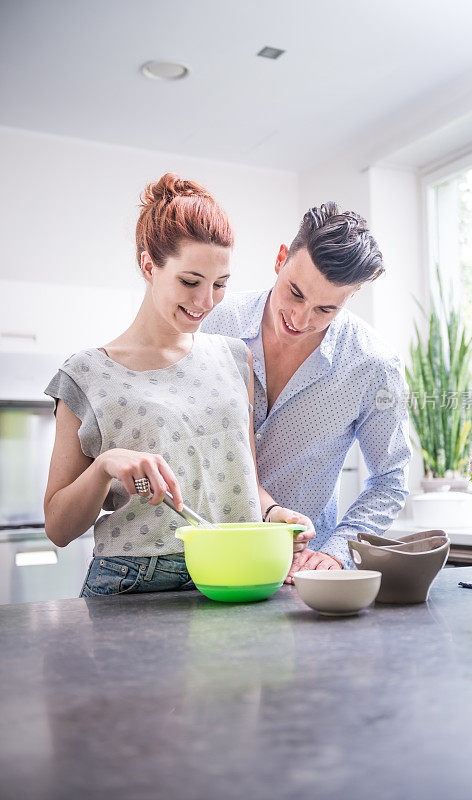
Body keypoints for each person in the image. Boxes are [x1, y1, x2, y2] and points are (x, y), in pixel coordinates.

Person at [43, 173, 314, 597]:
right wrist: (103, 466)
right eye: (190, 282)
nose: (205, 301)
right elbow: (58, 527)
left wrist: (274, 512)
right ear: (149, 265)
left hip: (239, 574)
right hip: (135, 583)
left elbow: (238, 477)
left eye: (220, 284)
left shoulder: (233, 358)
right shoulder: (86, 373)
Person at [202, 202, 411, 579]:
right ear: (281, 258)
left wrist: (335, 552)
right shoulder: (215, 321)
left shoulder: (374, 365)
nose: (300, 319)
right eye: (295, 293)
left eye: (325, 310)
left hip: (296, 578)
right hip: (201, 561)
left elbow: (391, 479)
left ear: (351, 296)